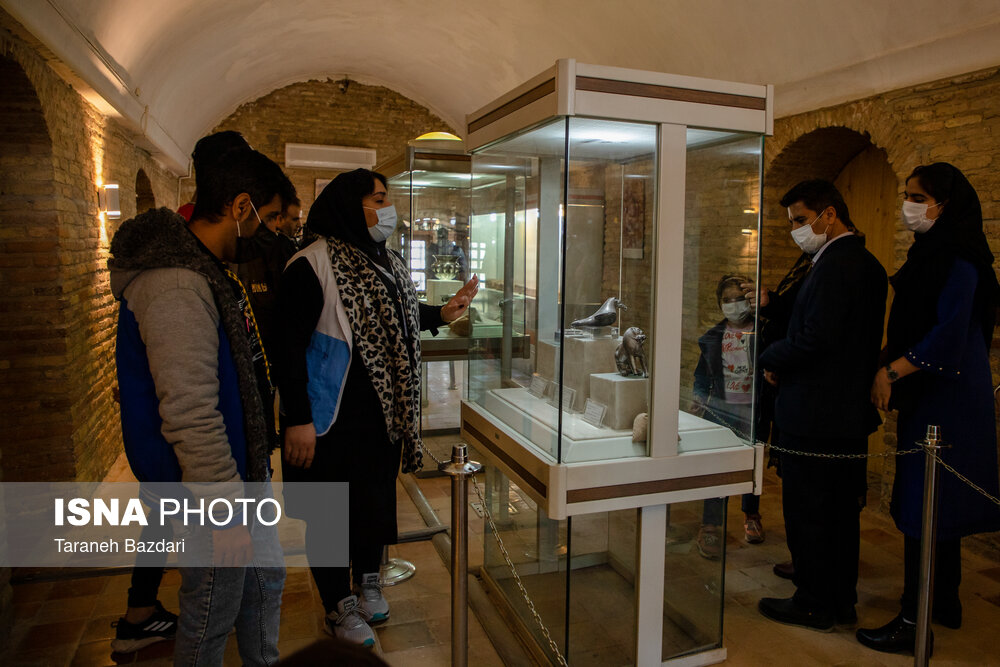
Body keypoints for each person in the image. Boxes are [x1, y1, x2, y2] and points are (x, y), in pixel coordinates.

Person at [276, 168, 478, 647]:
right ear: (350, 204)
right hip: (330, 418)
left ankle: (367, 579)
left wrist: (441, 314)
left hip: (379, 416)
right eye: (378, 198)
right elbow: (286, 349)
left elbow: (400, 312)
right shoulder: (312, 263)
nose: (387, 209)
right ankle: (337, 603)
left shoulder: (384, 258)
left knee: (370, 501)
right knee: (328, 513)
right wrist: (298, 419)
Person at [110, 147, 288, 665]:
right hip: (207, 489)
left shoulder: (203, 272)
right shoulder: (177, 284)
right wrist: (224, 509)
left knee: (263, 583)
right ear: (240, 207)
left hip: (234, 478)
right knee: (211, 613)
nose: (268, 231)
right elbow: (190, 409)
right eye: (267, 216)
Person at [857, 163, 1000, 655]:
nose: (909, 205)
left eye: (918, 196)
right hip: (942, 391)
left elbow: (949, 333)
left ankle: (915, 620)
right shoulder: (936, 252)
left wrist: (891, 371)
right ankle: (945, 601)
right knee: (936, 504)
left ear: (945, 203)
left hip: (948, 395)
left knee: (928, 502)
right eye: (907, 194)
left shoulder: (959, 258)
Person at [756, 179, 887, 632]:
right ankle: (836, 597)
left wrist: (770, 359)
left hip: (819, 413)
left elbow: (817, 339)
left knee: (811, 511)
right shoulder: (851, 260)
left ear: (828, 215)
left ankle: (814, 601)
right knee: (835, 515)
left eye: (799, 219)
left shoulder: (840, 265)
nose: (795, 229)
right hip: (837, 411)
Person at [692, 274, 763, 559]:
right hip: (721, 409)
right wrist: (698, 397)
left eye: (739, 299)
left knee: (751, 466)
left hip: (751, 409)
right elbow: (701, 374)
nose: (733, 305)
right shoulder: (712, 338)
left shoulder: (762, 332)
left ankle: (752, 514)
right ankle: (711, 523)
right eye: (727, 300)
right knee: (718, 468)